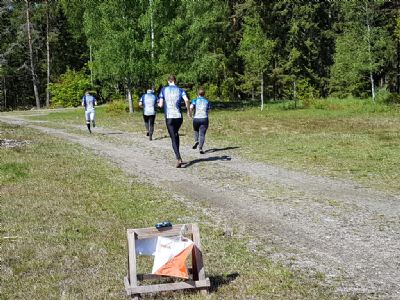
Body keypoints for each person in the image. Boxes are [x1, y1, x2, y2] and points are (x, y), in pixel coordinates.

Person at [158, 75, 191, 168]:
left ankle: (178, 158)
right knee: (176, 134)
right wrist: (189, 111)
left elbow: (160, 104)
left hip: (169, 117)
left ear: (168, 81)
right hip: (179, 117)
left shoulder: (164, 90)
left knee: (173, 137)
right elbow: (187, 100)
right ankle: (179, 155)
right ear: (175, 81)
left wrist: (159, 104)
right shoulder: (181, 90)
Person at [190, 88, 211, 154]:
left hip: (196, 118)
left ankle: (196, 141)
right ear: (204, 94)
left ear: (198, 94)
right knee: (202, 134)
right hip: (204, 118)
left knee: (196, 130)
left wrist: (190, 113)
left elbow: (191, 107)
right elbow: (209, 109)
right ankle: (200, 148)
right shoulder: (207, 101)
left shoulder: (195, 100)